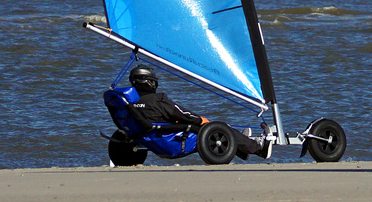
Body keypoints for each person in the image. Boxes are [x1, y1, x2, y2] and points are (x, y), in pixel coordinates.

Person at [104, 65, 267, 159]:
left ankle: (242, 144)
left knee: (215, 130)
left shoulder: (130, 105)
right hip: (174, 141)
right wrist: (200, 120)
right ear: (150, 82)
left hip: (152, 140)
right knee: (218, 127)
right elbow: (181, 114)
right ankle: (258, 148)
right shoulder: (158, 100)